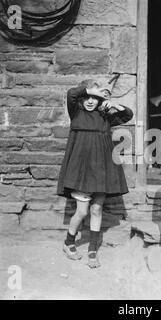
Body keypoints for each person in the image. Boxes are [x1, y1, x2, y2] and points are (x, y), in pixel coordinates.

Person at [57, 79, 133, 268]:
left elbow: (128, 115)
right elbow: (71, 93)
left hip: (102, 169)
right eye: (88, 98)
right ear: (82, 99)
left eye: (95, 98)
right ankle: (68, 242)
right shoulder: (76, 113)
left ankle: (92, 249)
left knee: (97, 209)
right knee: (82, 211)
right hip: (82, 170)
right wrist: (93, 90)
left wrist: (115, 104)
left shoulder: (105, 116)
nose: (91, 101)